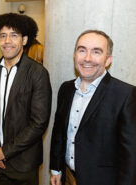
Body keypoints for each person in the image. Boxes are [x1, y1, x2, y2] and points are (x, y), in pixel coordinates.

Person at [50, 30, 136, 185]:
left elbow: (131, 155)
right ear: (75, 55)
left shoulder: (126, 94)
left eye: (96, 52)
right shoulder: (66, 89)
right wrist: (56, 169)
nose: (87, 58)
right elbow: (59, 133)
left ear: (108, 59)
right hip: (68, 176)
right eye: (82, 50)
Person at [0, 13, 52, 185]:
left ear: (24, 40)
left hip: (24, 163)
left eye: (14, 35)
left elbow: (39, 122)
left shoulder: (37, 73)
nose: (7, 41)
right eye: (2, 36)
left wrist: (4, 152)